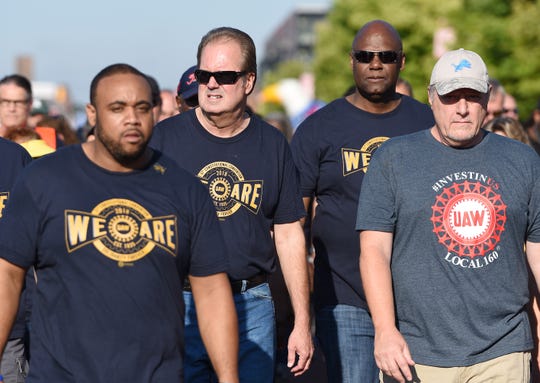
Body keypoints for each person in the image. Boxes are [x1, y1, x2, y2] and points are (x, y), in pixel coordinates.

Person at [0, 63, 239, 383]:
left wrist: (228, 378)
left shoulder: (185, 190)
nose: (132, 118)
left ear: (154, 112)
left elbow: (211, 292)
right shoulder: (43, 180)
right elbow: (8, 278)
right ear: (92, 113)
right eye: (117, 108)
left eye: (142, 107)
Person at [357, 48, 540, 383]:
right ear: (431, 98)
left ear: (488, 98)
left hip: (504, 349)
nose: (462, 108)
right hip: (416, 353)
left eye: (472, 96)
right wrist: (384, 331)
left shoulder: (524, 161)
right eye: (451, 96)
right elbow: (373, 252)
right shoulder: (393, 159)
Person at [151, 27, 313, 383]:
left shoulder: (272, 144)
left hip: (250, 304)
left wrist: (301, 322)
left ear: (248, 81)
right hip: (180, 304)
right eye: (205, 74)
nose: (211, 84)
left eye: (224, 76)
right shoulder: (164, 139)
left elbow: (288, 234)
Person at [290, 19, 434, 383]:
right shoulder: (318, 128)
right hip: (343, 297)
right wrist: (301, 309)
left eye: (385, 56)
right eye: (365, 56)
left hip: (417, 300)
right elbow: (294, 221)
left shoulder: (428, 122)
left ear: (402, 62)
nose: (375, 63)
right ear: (351, 60)